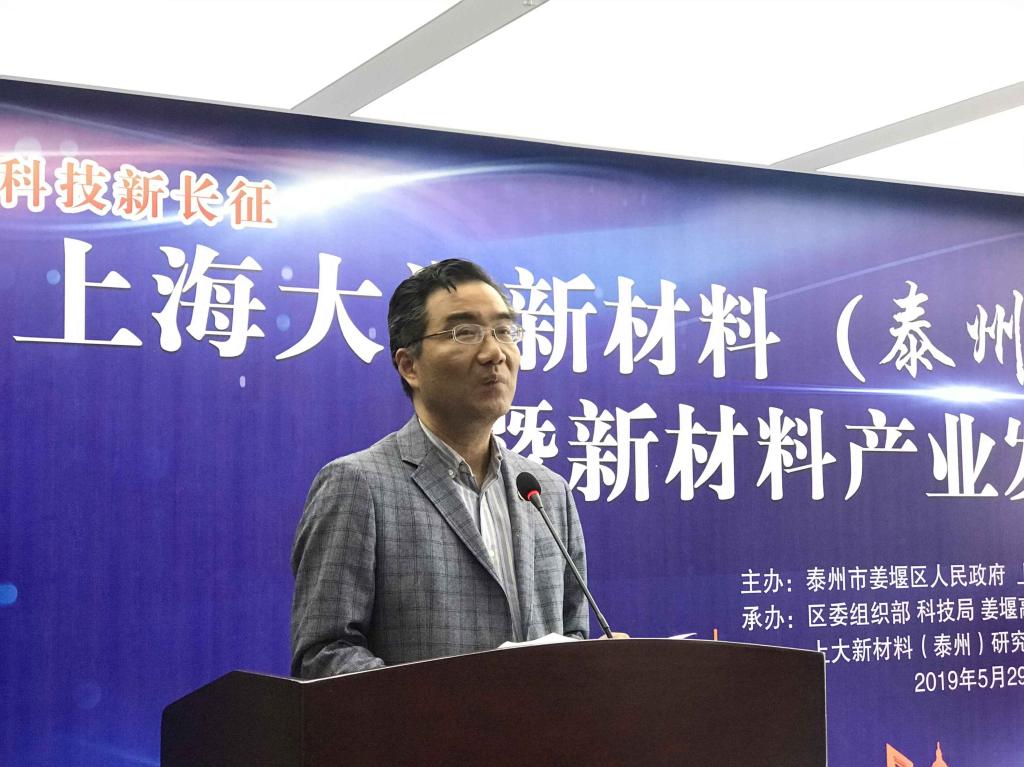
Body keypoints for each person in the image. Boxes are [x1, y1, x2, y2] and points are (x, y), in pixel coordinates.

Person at [290, 258, 590, 678]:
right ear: (409, 366)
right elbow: (324, 654)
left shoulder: (547, 491)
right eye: (465, 332)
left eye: (504, 331)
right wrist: (446, 704)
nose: (494, 353)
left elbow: (573, 632)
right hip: (421, 725)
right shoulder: (358, 485)